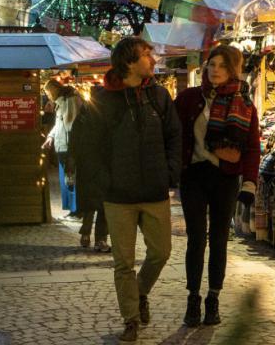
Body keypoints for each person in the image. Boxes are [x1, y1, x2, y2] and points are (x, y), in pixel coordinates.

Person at [88, 37, 182, 342]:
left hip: (154, 191)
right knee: (123, 262)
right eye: (146, 55)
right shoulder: (104, 99)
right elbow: (92, 146)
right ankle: (130, 319)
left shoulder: (159, 96)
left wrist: (169, 173)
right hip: (118, 195)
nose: (152, 60)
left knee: (161, 253)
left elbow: (174, 136)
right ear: (129, 61)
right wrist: (105, 181)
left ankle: (139, 293)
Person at [174, 45, 261, 327]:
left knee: (220, 239)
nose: (215, 70)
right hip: (194, 177)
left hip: (225, 178)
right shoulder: (188, 98)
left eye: (222, 66)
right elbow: (173, 136)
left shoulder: (245, 103)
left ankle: (213, 299)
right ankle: (193, 299)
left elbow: (251, 147)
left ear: (232, 69)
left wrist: (249, 182)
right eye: (211, 65)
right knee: (196, 238)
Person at [67, 84, 110, 253]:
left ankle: (88, 236)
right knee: (100, 203)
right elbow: (74, 140)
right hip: (97, 164)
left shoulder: (83, 116)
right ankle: (99, 239)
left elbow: (73, 140)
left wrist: (72, 159)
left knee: (92, 203)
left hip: (90, 164)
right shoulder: (98, 115)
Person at [41, 79, 81, 218]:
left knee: (71, 178)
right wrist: (51, 137)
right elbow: (60, 124)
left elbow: (72, 125)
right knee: (67, 179)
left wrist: (72, 149)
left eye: (47, 92)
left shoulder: (70, 100)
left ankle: (77, 209)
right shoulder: (60, 102)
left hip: (69, 147)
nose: (47, 95)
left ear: (53, 90)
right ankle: (72, 209)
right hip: (62, 146)